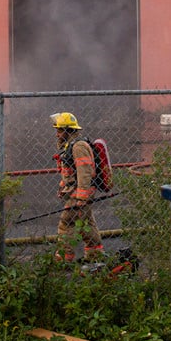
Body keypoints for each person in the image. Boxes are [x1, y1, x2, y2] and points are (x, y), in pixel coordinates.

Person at [50, 111, 104, 262]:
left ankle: (63, 259)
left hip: (79, 193)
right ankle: (95, 256)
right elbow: (70, 173)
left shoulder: (79, 147)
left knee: (66, 223)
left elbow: (85, 172)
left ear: (68, 130)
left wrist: (81, 198)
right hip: (77, 192)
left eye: (60, 130)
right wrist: (63, 187)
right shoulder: (71, 146)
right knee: (87, 224)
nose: (57, 134)